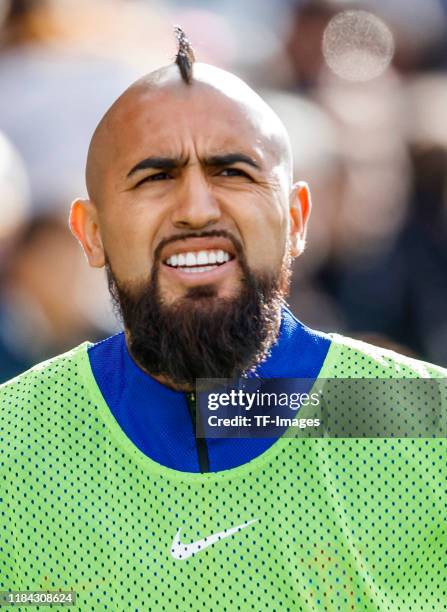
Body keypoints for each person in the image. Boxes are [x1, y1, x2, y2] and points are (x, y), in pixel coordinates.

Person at [1, 30, 446, 611]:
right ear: (91, 232)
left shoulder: (419, 419)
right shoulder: (15, 441)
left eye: (232, 172)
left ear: (296, 218)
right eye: (155, 177)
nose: (197, 209)